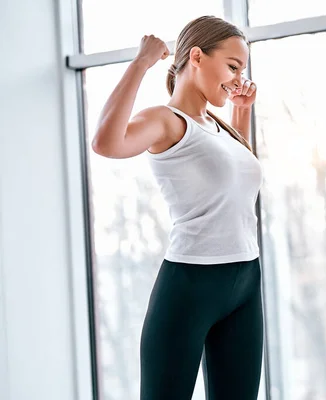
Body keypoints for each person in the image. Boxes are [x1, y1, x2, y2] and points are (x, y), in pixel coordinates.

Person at [91, 16, 264, 400]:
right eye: (232, 67)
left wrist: (241, 112)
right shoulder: (166, 120)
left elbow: (234, 181)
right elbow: (105, 143)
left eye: (242, 71)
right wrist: (141, 63)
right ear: (197, 57)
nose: (238, 78)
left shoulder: (217, 125)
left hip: (246, 281)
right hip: (190, 286)